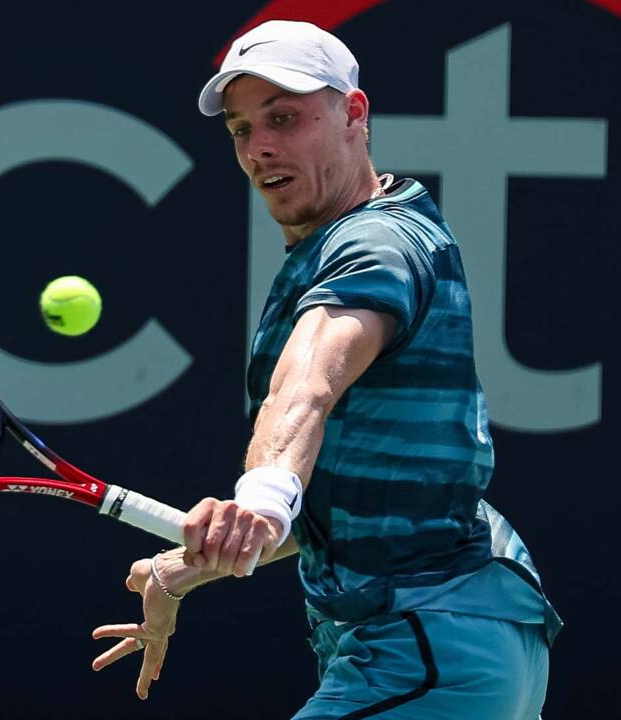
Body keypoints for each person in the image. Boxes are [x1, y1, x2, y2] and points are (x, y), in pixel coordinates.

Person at [91, 20, 562, 719]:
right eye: (242, 129)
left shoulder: (373, 247)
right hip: (463, 637)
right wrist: (181, 569)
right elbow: (356, 496)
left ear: (354, 113)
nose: (260, 148)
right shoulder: (369, 228)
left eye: (285, 118)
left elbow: (309, 383)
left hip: (427, 652)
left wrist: (263, 498)